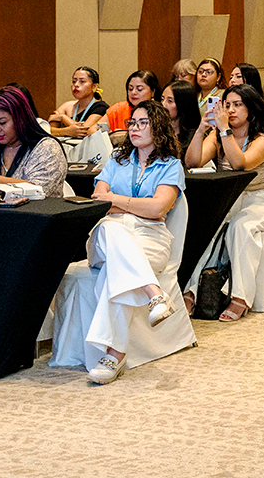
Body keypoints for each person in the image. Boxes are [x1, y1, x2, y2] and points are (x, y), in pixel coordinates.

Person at [76, 99, 186, 384]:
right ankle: (154, 293)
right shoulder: (117, 160)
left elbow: (159, 208)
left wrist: (117, 200)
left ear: (158, 127)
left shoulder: (171, 165)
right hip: (107, 234)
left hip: (151, 237)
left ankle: (114, 356)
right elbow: (99, 200)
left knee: (116, 271)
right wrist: (135, 206)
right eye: (132, 123)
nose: (134, 128)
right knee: (112, 230)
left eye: (142, 123)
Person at [183, 85, 264, 321]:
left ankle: (240, 297)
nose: (230, 110)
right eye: (227, 105)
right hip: (232, 201)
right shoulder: (218, 135)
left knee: (240, 227)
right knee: (208, 225)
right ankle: (191, 291)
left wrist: (224, 130)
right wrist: (201, 130)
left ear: (251, 109)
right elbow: (193, 162)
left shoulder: (262, 140)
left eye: (237, 105)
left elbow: (241, 164)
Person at [49, 67, 108, 140]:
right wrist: (67, 131)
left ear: (94, 87)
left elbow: (84, 131)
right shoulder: (67, 106)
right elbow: (48, 130)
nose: (76, 85)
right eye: (74, 81)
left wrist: (63, 118)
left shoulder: (101, 107)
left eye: (82, 81)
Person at [106, 71, 161, 146]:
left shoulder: (160, 112)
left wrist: (124, 136)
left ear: (153, 92)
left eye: (139, 89)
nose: (133, 92)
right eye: (130, 89)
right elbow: (94, 129)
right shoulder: (119, 108)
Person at [162, 80, 200, 149]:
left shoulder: (195, 136)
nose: (163, 104)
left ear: (183, 104)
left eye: (170, 101)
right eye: (162, 99)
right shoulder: (157, 131)